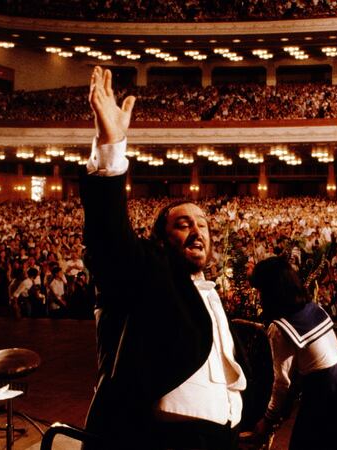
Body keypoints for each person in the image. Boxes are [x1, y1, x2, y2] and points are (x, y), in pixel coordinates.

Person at [82, 66, 246, 448]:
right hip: (164, 438)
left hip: (221, 437)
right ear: (161, 238)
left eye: (203, 224)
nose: (197, 230)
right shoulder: (148, 274)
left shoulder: (207, 289)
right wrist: (111, 149)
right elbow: (109, 241)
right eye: (183, 224)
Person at [249, 256, 337, 450]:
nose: (259, 297)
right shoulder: (314, 308)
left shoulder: (280, 328)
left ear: (270, 292)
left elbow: (282, 383)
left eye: (260, 291)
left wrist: (267, 419)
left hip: (323, 398)